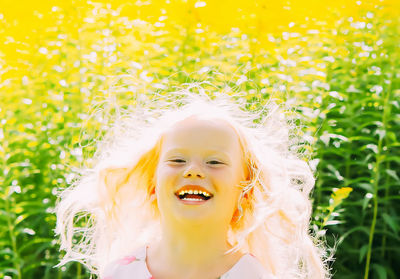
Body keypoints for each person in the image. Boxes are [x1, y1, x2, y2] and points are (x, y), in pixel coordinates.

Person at [55, 91, 330, 279]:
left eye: (214, 162)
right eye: (177, 159)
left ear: (245, 188)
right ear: (153, 182)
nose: (194, 171)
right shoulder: (121, 273)